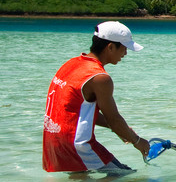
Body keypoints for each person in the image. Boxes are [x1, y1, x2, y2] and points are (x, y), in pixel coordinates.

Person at [43, 21, 150, 173]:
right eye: (124, 48)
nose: (125, 54)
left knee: (79, 180)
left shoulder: (71, 64)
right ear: (111, 47)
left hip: (54, 138)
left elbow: (75, 110)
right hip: (77, 142)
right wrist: (138, 141)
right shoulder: (100, 78)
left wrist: (123, 131)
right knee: (124, 176)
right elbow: (114, 119)